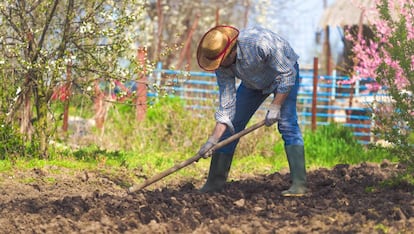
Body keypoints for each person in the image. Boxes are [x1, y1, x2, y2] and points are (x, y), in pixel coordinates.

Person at [196, 24, 306, 197]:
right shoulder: (223, 67)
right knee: (232, 126)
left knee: (287, 124)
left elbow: (287, 74)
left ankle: (299, 184)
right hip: (253, 83)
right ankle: (214, 183)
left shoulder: (259, 44)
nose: (218, 65)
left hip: (283, 75)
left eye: (219, 60)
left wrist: (276, 106)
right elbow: (226, 104)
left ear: (231, 51)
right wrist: (213, 140)